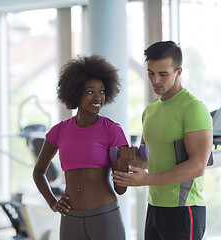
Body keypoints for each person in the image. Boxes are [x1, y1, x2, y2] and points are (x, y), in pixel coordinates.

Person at [112, 41, 213, 240]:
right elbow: (146, 157)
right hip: (155, 206)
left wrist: (146, 179)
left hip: (184, 209)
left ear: (179, 71)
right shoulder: (150, 110)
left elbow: (197, 166)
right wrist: (125, 160)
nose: (155, 80)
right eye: (150, 73)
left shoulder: (193, 109)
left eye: (163, 74)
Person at [33, 55, 130, 240]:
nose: (98, 97)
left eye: (101, 91)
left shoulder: (112, 130)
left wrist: (123, 165)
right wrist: (52, 202)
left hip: (104, 217)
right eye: (90, 92)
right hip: (70, 219)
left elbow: (121, 189)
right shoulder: (59, 131)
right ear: (76, 93)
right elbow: (38, 172)